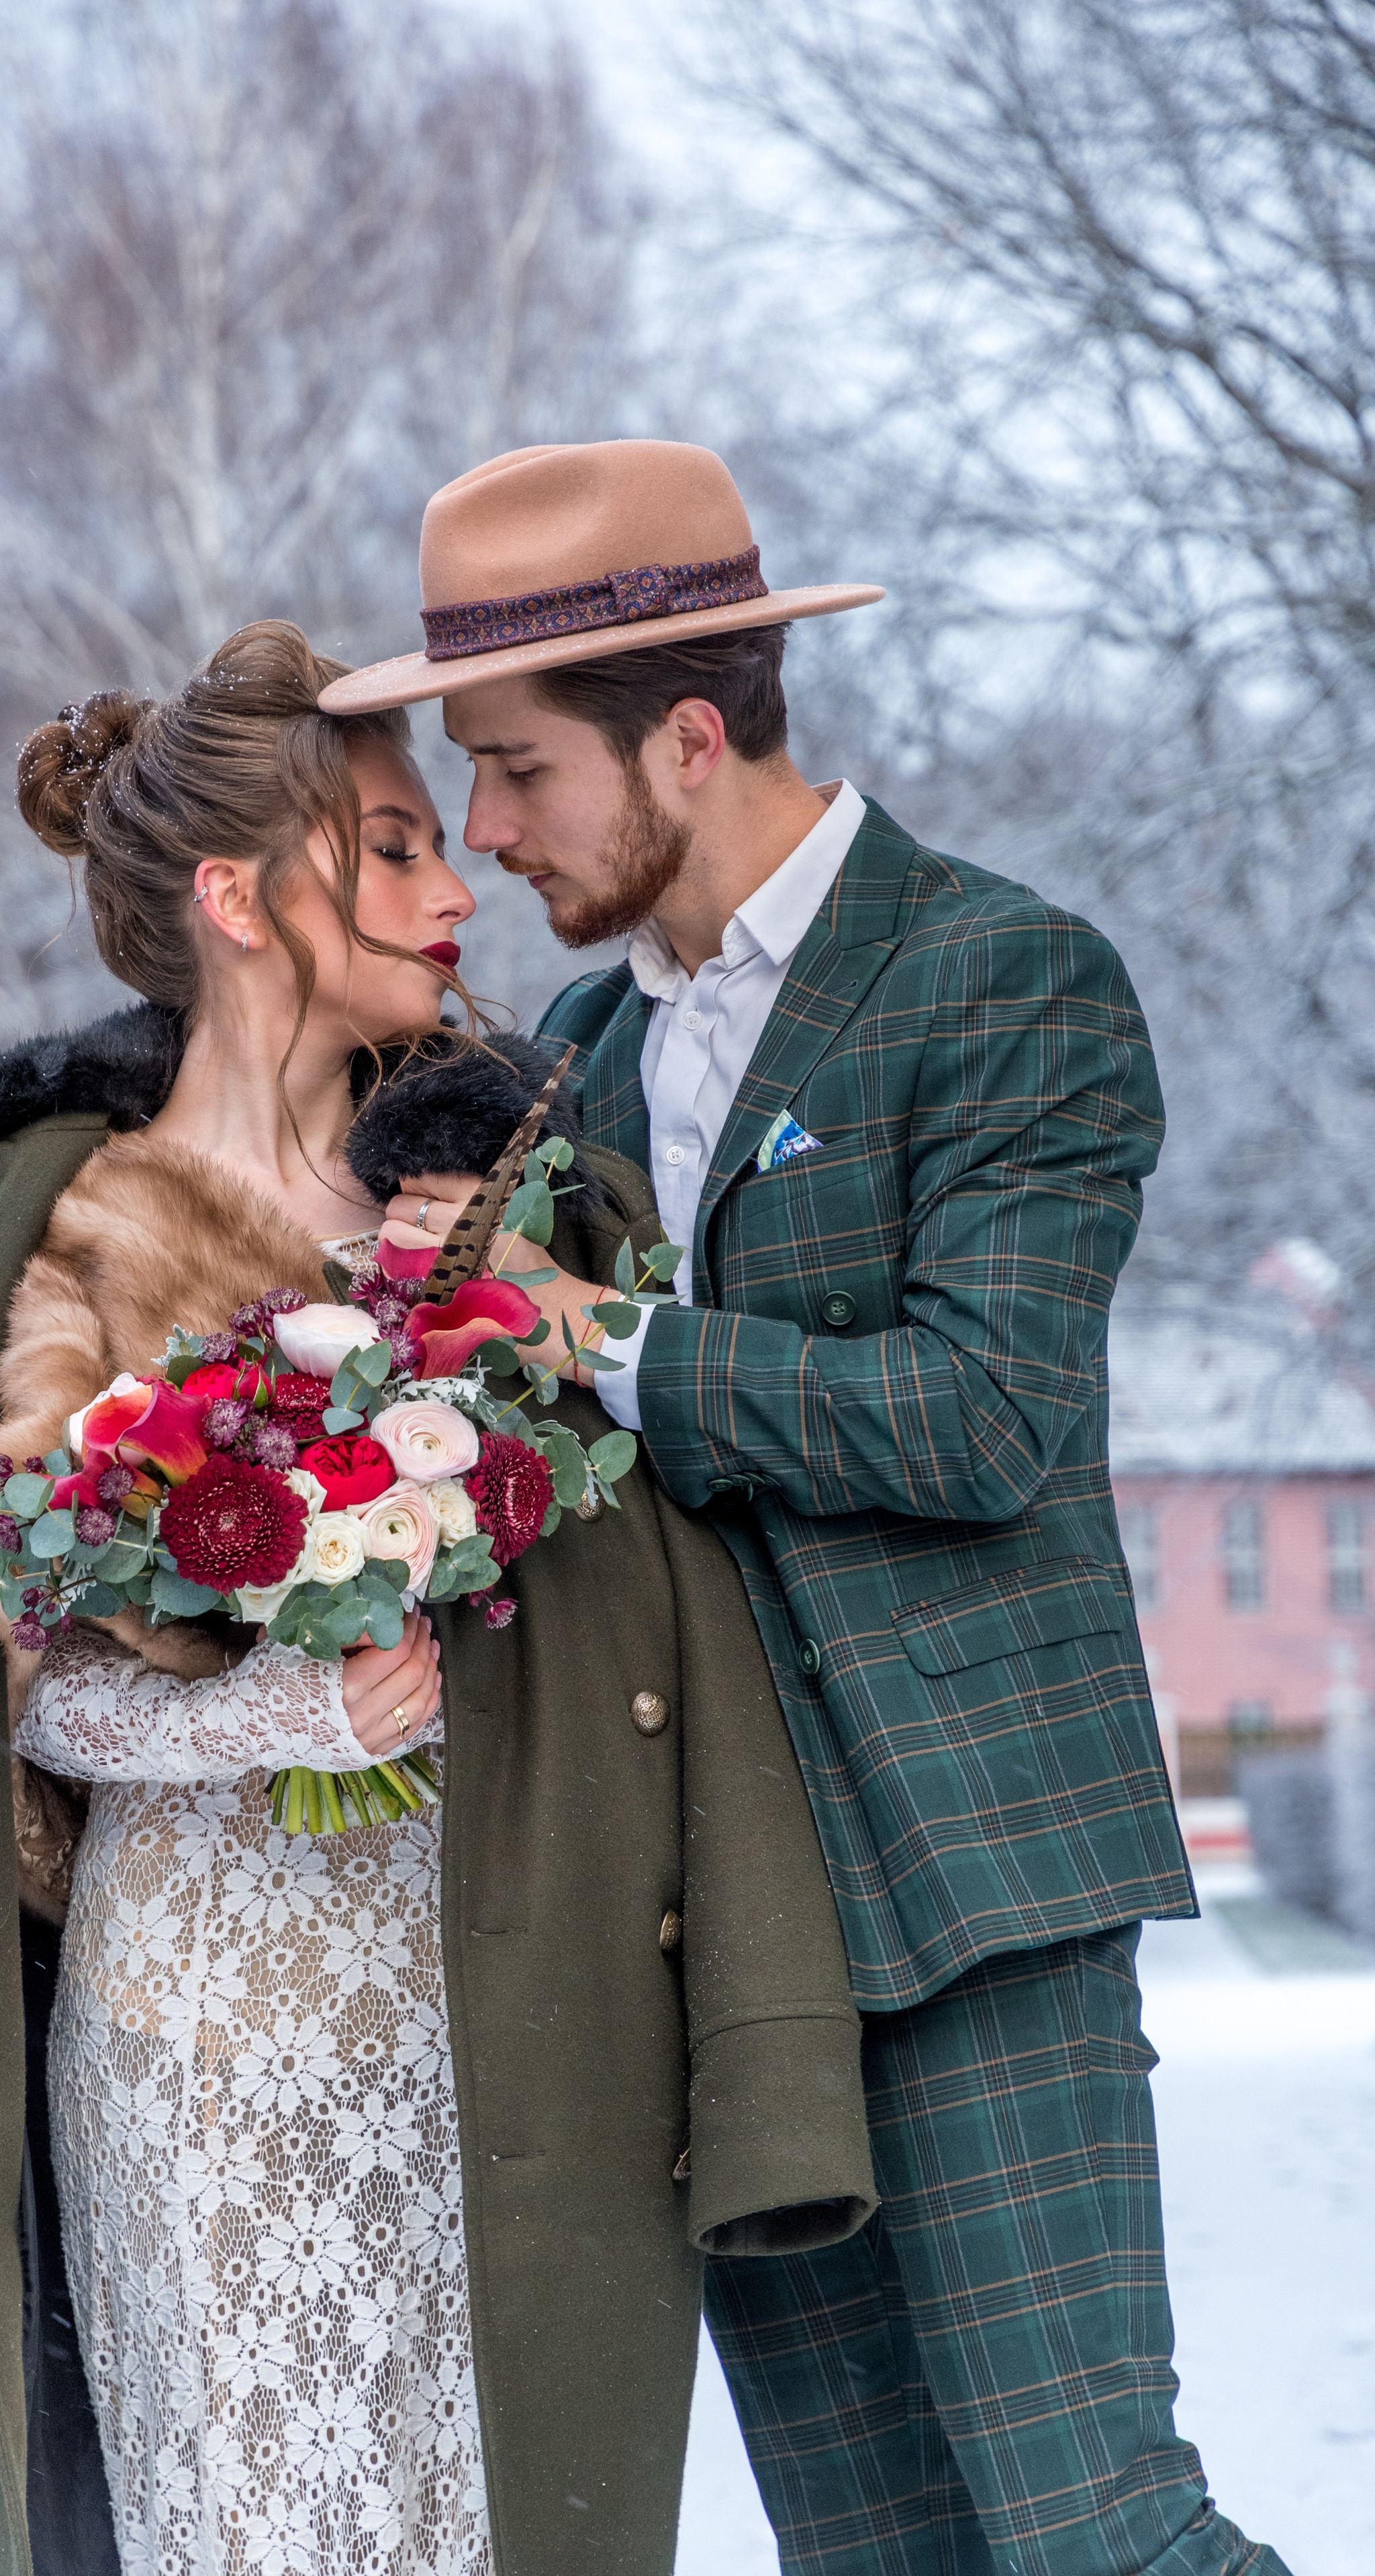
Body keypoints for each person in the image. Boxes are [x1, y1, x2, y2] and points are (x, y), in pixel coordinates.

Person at [0, 617, 873, 2576]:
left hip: (501, 2015)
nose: (457, 891)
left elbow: (664, 1631)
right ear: (242, 897)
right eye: (398, 847)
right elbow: (14, 1694)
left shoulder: (516, 1200)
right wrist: (280, 1716)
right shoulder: (59, 1235)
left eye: (447, 843)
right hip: (192, 2029)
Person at [322, 442, 1291, 2576]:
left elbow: (984, 1421)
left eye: (512, 772)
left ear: (686, 735)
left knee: (1096, 2537)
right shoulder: (570, 1048)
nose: (485, 828)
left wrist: (599, 1338)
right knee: (877, 2555)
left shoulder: (1005, 978)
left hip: (967, 1880)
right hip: (712, 1930)